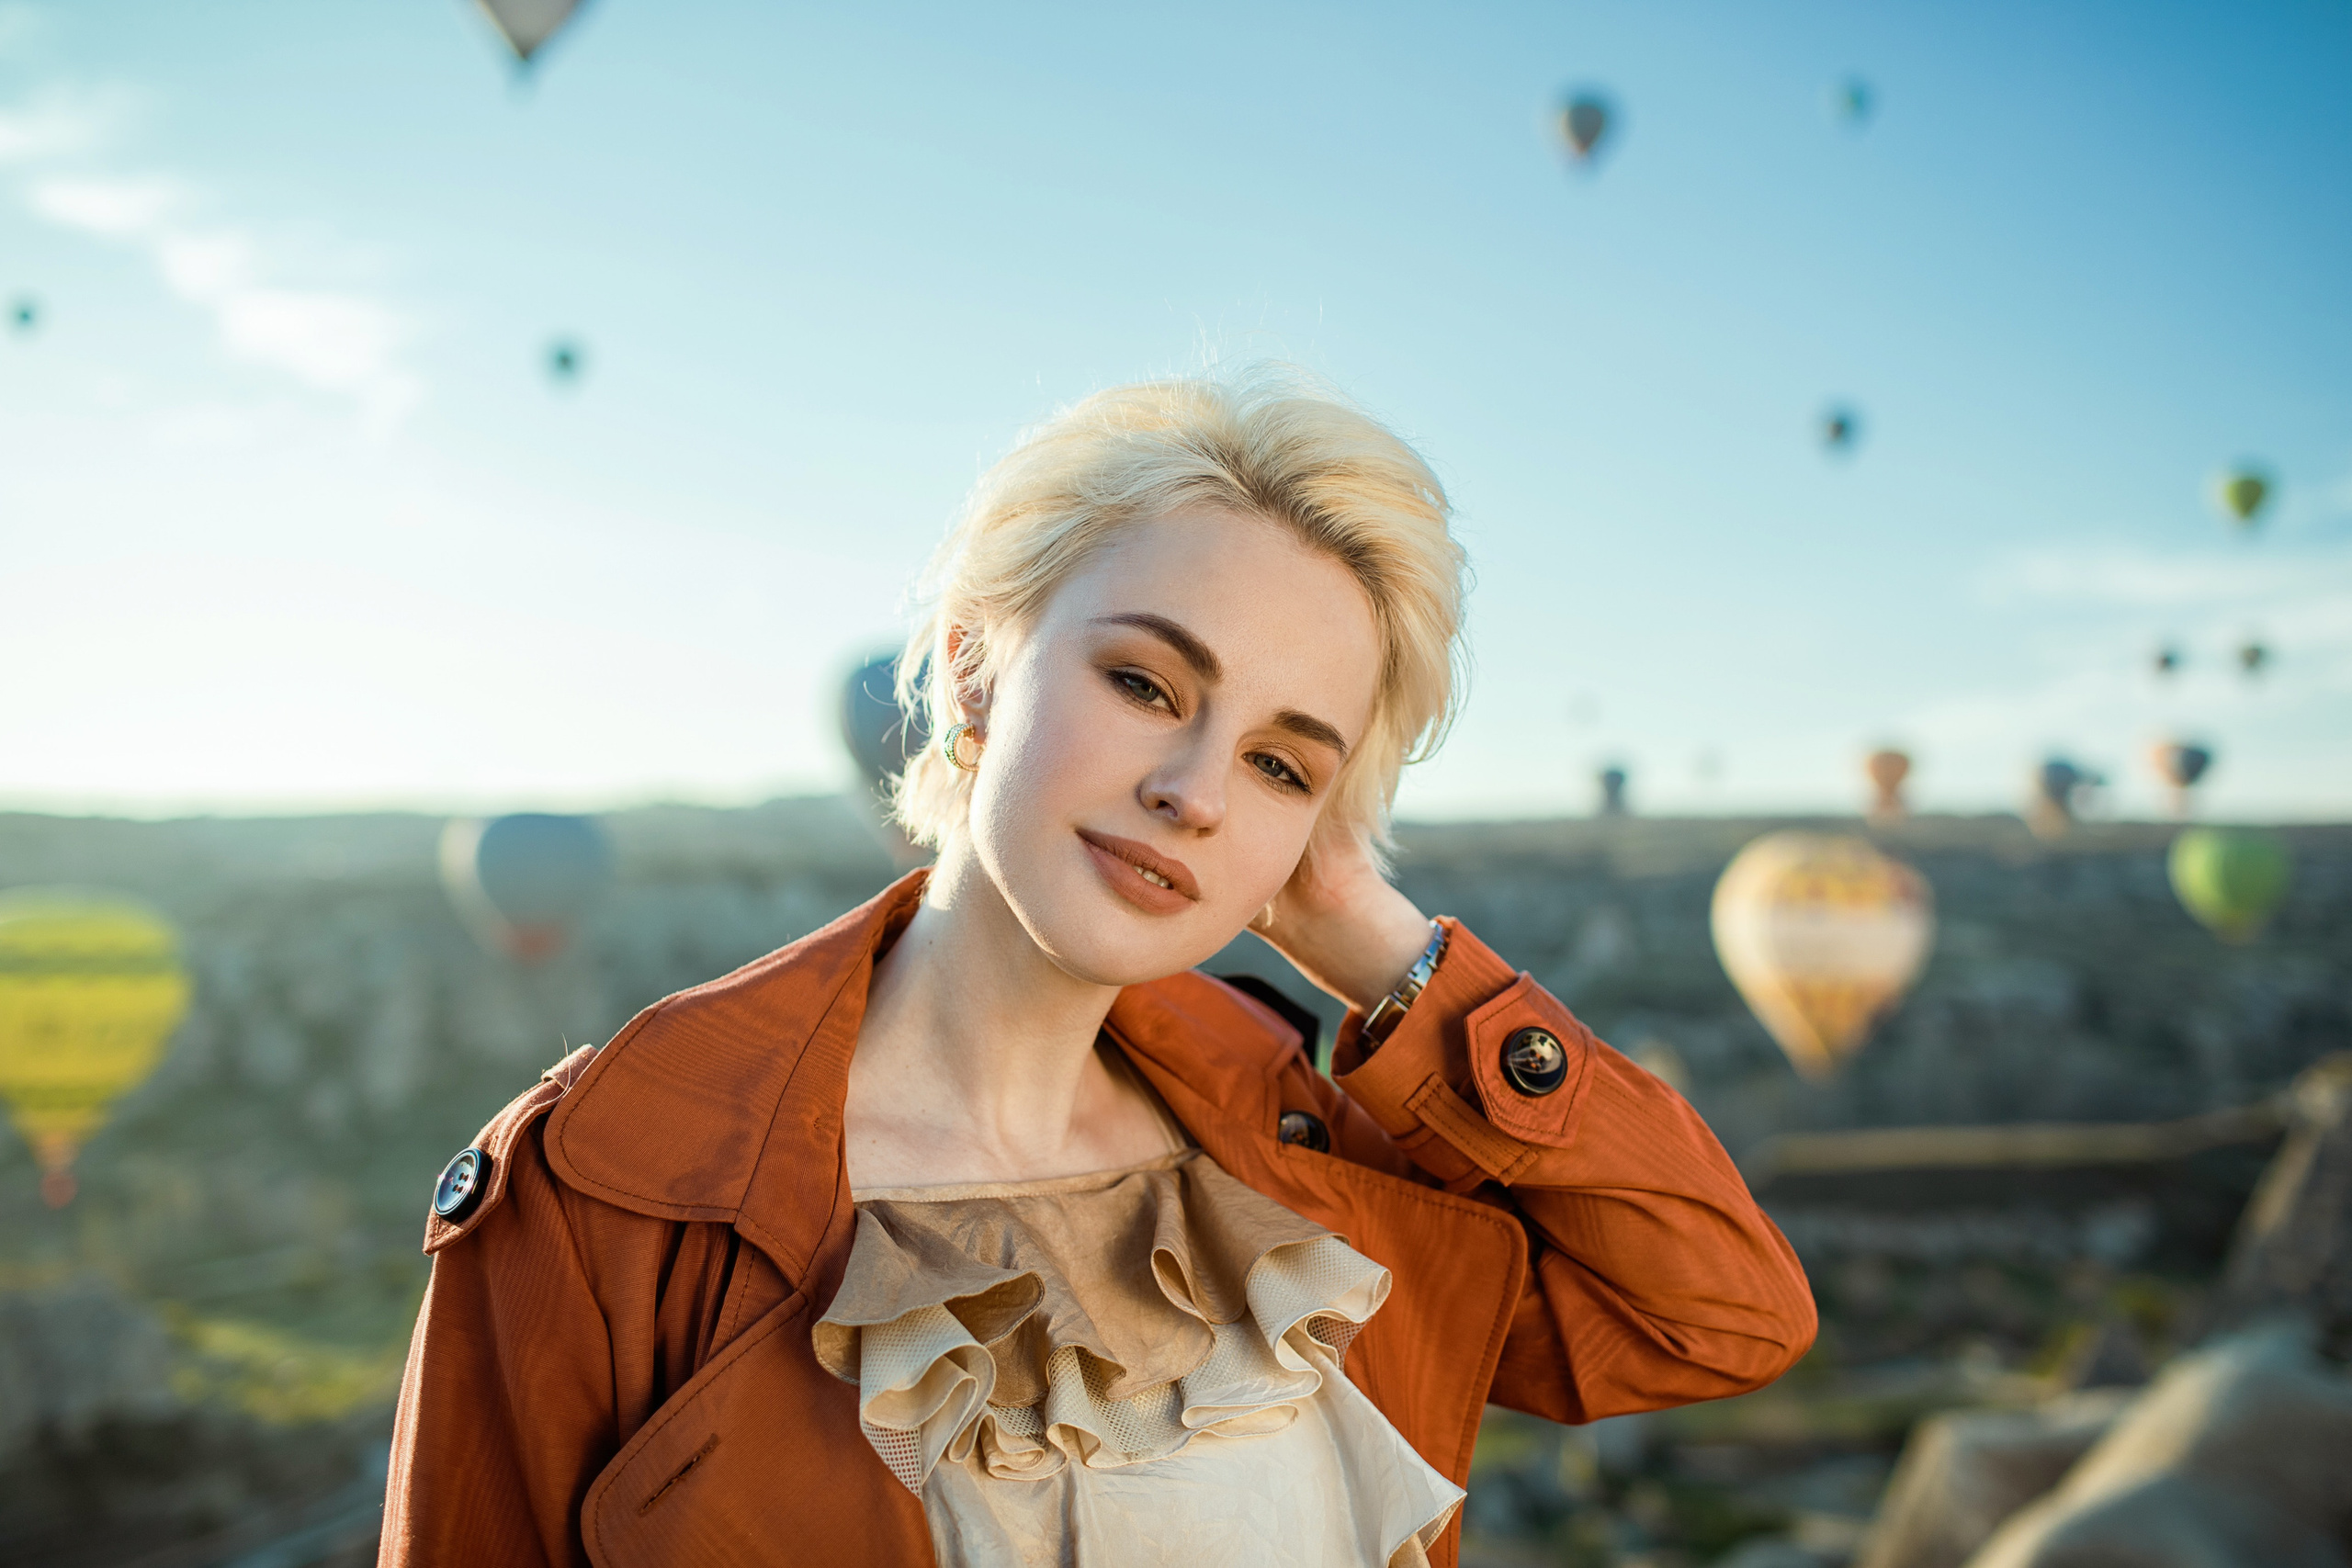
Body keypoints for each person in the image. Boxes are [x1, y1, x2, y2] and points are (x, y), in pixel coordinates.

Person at [381, 369, 1815, 1568]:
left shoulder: (1301, 1183)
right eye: (1143, 684)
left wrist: (1391, 954)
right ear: (972, 677)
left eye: (1277, 762)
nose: (1196, 790)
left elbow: (1722, 1316)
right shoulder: (614, 1194)